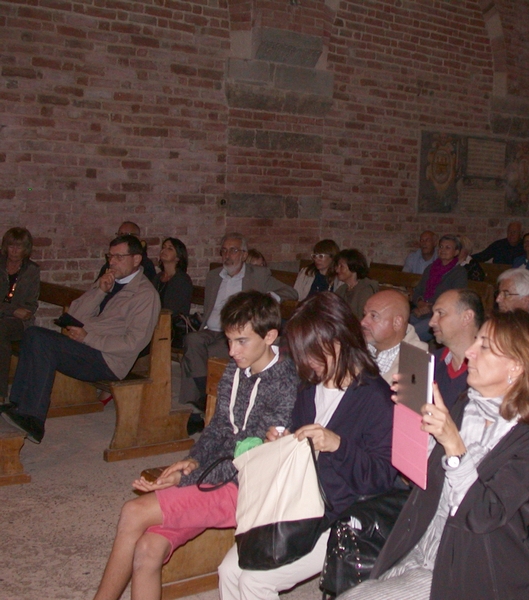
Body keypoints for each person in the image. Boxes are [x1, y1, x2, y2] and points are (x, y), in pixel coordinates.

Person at [339, 309, 529, 600]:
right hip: (427, 545)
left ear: (516, 366)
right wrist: (413, 418)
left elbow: (483, 514)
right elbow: (424, 474)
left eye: (484, 347)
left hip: (474, 567)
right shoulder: (467, 403)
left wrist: (453, 444)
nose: (469, 352)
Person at [92, 291, 299, 600]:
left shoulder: (284, 383)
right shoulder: (236, 369)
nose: (232, 351)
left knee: (133, 512)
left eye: (241, 341)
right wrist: (192, 462)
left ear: (270, 336)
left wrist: (187, 478)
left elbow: (250, 457)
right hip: (215, 475)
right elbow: (216, 429)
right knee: (147, 549)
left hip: (248, 488)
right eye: (228, 341)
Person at [217, 292, 396, 600]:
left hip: (341, 514)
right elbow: (302, 446)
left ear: (338, 340)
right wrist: (284, 441)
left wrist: (337, 445)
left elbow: (383, 478)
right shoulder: (309, 388)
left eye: (313, 353)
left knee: (254, 582)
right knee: (229, 571)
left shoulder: (375, 397)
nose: (307, 363)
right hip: (299, 503)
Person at [1, 235, 160, 444]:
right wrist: (99, 292)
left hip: (109, 360)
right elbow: (75, 313)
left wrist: (89, 337)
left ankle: (34, 419)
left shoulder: (145, 295)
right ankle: (18, 404)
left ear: (137, 259)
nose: (112, 262)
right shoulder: (108, 281)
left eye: (119, 257)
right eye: (110, 256)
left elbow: (134, 343)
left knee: (42, 341)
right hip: (86, 347)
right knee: (33, 334)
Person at [179, 233, 298, 431]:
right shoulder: (214, 276)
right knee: (192, 341)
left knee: (214, 351)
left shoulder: (258, 275)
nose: (228, 255)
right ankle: (202, 397)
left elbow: (291, 293)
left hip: (234, 335)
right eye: (224, 250)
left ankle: (201, 408)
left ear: (244, 254)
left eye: (233, 250)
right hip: (210, 330)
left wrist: (271, 297)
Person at [0, 228, 39, 403]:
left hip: (19, 324)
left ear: (26, 249)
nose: (15, 251)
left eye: (19, 247)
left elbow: (30, 306)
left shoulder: (31, 270)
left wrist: (13, 312)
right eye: (11, 246)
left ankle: (1, 394)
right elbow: (16, 309)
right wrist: (12, 309)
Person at [428, 289, 484, 408]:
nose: (431, 322)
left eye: (440, 313)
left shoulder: (489, 370)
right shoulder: (430, 362)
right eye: (433, 314)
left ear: (467, 317)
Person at [361, 289, 427, 384]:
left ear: (397, 323)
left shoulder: (418, 361)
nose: (363, 322)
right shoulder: (355, 347)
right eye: (364, 314)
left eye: (373, 316)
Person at [409, 235, 467, 342]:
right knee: (399, 325)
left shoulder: (459, 273)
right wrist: (420, 303)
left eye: (448, 248)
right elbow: (417, 291)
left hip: (440, 317)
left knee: (412, 334)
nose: (443, 250)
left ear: (456, 252)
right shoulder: (430, 269)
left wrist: (429, 309)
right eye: (441, 247)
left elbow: (454, 301)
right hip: (421, 311)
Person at [334, 248, 380, 319]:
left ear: (353, 267)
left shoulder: (365, 291)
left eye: (341, 266)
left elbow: (363, 320)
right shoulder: (342, 289)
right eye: (337, 266)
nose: (337, 270)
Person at [155, 237, 193, 318]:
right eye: (163, 247)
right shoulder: (157, 277)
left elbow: (172, 309)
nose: (164, 250)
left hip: (173, 324)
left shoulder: (182, 280)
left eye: (170, 248)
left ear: (178, 257)